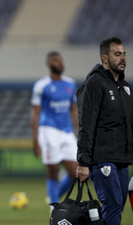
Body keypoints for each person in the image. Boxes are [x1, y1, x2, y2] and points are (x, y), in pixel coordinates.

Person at [73, 37, 133, 225]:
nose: (123, 58)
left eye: (124, 54)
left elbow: (132, 125)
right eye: (117, 54)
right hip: (101, 157)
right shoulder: (95, 84)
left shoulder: (125, 87)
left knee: (115, 208)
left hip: (122, 158)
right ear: (104, 59)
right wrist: (84, 161)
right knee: (114, 205)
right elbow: (86, 124)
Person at [30, 51, 79, 209]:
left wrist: (79, 130)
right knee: (53, 171)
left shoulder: (70, 84)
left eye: (61, 60)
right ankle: (54, 208)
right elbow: (35, 113)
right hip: (49, 131)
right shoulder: (41, 86)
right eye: (56, 61)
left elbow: (74, 109)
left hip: (67, 132)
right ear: (49, 64)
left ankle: (54, 198)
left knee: (76, 172)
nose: (59, 63)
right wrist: (35, 139)